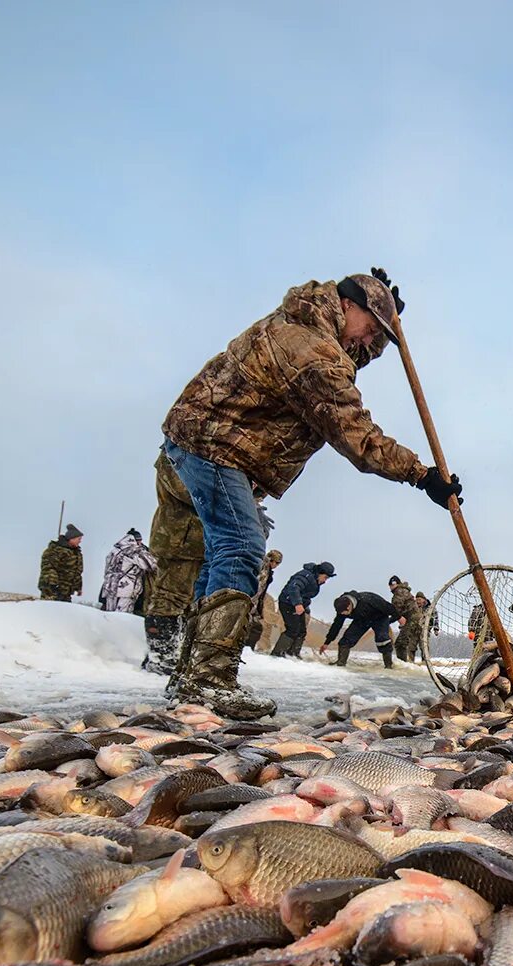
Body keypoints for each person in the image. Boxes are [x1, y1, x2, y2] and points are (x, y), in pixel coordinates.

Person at [155, 269, 461, 717]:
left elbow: (350, 361)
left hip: (208, 444)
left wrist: (382, 323)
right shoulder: (311, 349)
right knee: (241, 547)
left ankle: (191, 674)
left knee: (220, 552)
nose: (371, 340)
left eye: (379, 334)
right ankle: (207, 679)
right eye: (371, 327)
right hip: (213, 446)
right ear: (347, 306)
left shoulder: (313, 326)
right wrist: (422, 474)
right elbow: (354, 433)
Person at [141, 452, 205, 677]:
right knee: (170, 596)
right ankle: (161, 656)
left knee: (188, 601)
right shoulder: (174, 454)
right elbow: (187, 491)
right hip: (178, 536)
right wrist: (228, 491)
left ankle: (175, 652)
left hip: (197, 539)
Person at [320, 591, 399, 667]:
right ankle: (341, 663)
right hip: (361, 620)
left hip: (379, 618)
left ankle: (388, 666)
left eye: (344, 613)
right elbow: (336, 626)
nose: (342, 615)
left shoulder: (368, 600)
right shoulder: (341, 607)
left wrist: (397, 618)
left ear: (349, 606)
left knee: (382, 639)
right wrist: (327, 642)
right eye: (341, 613)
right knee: (345, 641)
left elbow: (390, 608)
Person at [273, 562, 334, 657]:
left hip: (299, 606)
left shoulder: (314, 579)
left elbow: (305, 595)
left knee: (301, 631)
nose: (325, 581)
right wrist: (298, 604)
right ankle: (277, 654)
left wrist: (304, 606)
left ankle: (293, 654)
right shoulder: (306, 575)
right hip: (288, 603)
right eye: (325, 577)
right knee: (292, 629)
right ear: (320, 573)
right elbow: (294, 587)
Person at [98, 528, 158, 614]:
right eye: (140, 541)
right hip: (125, 589)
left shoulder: (113, 551)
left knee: (110, 616)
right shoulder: (134, 551)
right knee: (123, 617)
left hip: (109, 589)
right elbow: (152, 565)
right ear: (135, 540)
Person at [246, 549, 283, 650]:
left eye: (277, 563)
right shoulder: (264, 569)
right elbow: (258, 587)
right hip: (252, 600)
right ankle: (247, 650)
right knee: (255, 628)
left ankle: (247, 650)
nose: (275, 565)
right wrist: (254, 605)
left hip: (256, 601)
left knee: (255, 627)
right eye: (273, 562)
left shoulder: (266, 569)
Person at [38, 524, 84, 602]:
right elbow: (48, 567)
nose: (80, 541)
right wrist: (52, 585)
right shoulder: (56, 550)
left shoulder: (76, 553)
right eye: (78, 539)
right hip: (53, 590)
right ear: (71, 538)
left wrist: (78, 587)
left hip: (66, 591)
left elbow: (77, 572)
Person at [390, 576, 425, 664]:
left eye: (392, 584)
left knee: (401, 643)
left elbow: (396, 610)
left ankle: (403, 664)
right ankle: (408, 662)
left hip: (413, 620)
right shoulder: (403, 591)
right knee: (408, 644)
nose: (391, 587)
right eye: (389, 585)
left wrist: (388, 620)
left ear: (397, 584)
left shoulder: (399, 592)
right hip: (414, 620)